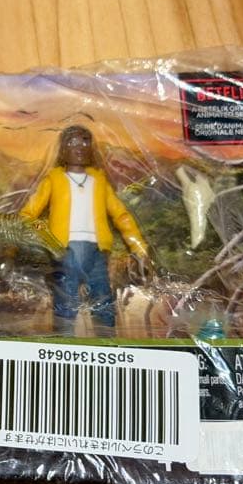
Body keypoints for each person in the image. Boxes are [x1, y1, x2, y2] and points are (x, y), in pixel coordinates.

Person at [20, 125, 150, 331]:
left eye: (85, 141)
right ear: (63, 149)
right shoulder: (54, 179)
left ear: (91, 148)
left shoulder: (99, 181)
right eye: (72, 142)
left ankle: (107, 341)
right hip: (64, 249)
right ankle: (63, 341)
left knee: (103, 301)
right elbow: (27, 215)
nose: (79, 147)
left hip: (96, 250)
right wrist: (43, 236)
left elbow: (120, 215)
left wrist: (138, 247)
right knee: (66, 301)